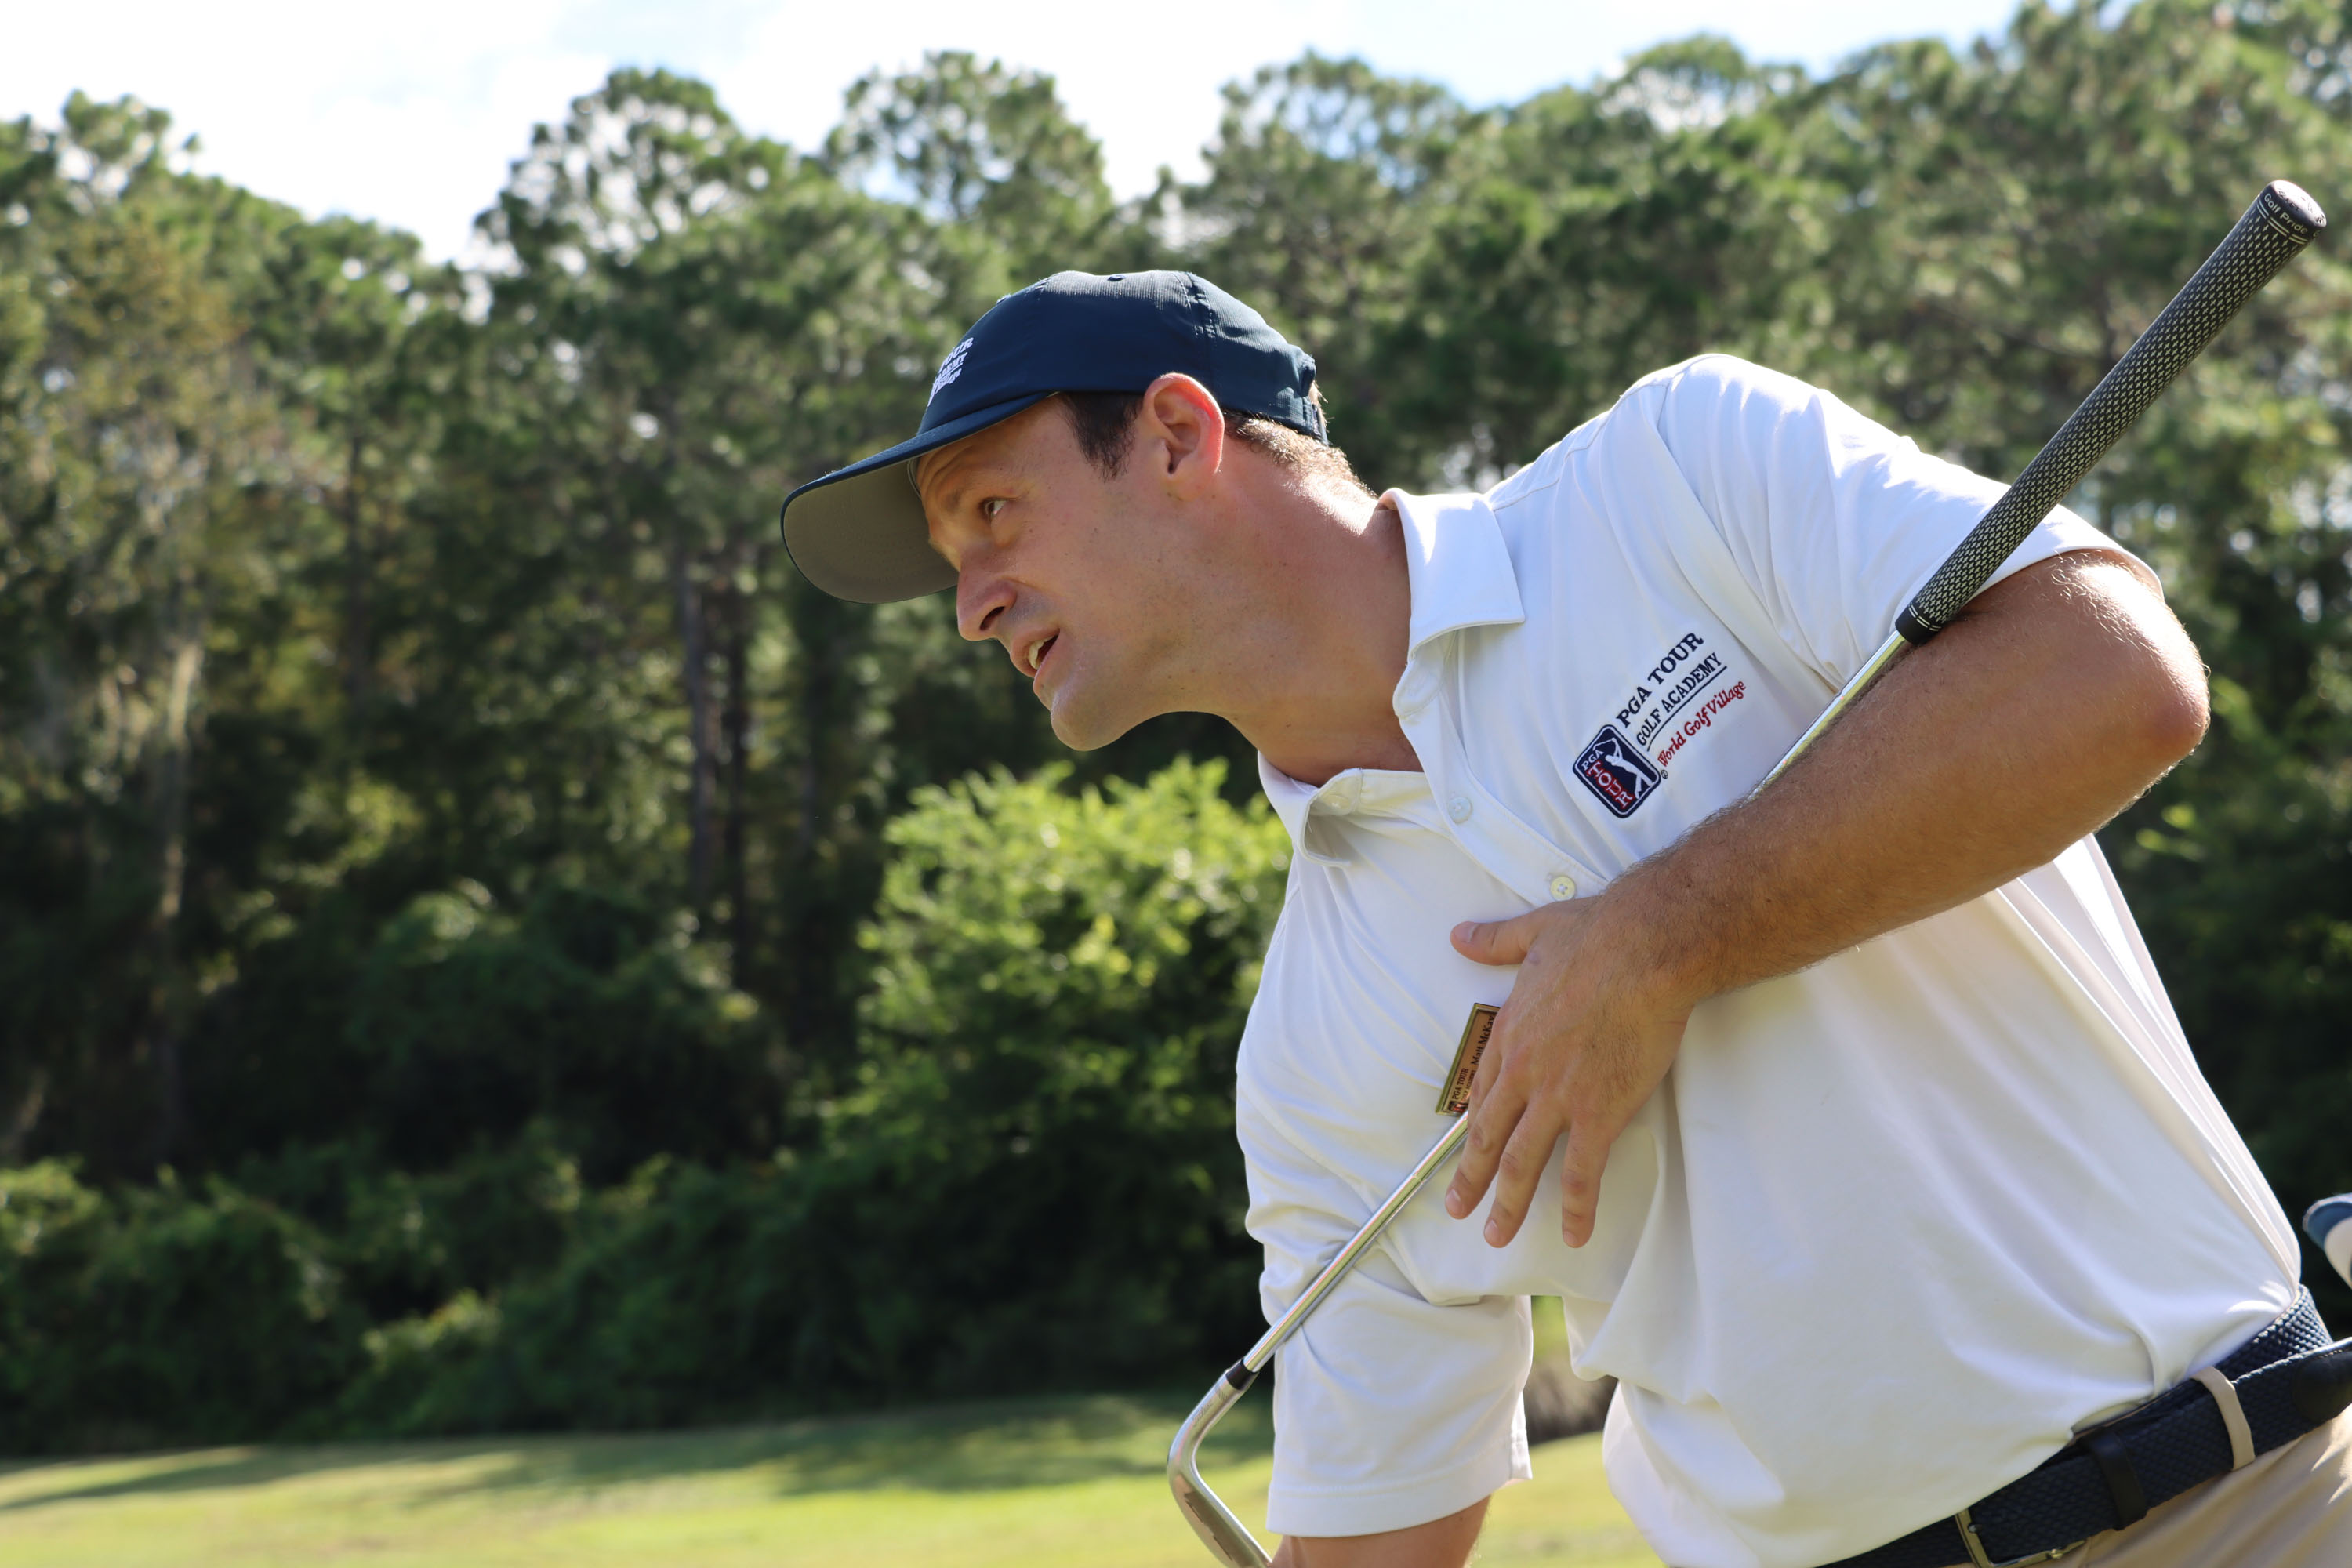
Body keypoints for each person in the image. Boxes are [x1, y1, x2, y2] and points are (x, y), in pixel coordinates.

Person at [779, 271, 2352, 1568]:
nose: (970, 598)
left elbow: (2114, 679)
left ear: (1181, 436)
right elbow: (1377, 1527)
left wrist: (1662, 935)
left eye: (991, 512)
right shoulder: (1309, 1050)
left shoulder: (1676, 477)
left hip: (2261, 1502)